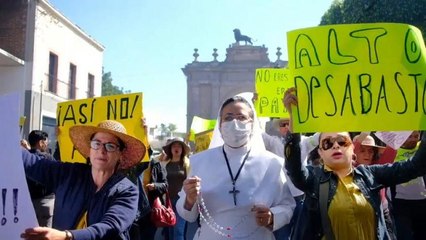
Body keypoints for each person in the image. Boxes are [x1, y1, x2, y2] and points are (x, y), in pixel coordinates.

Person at [283, 87, 426, 240]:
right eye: (327, 143)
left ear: (352, 149)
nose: (335, 146)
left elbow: (415, 167)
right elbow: (294, 169)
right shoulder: (313, 180)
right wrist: (294, 118)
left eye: (341, 141)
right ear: (320, 153)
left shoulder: (371, 175)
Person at [177, 95, 295, 240]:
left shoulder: (273, 163)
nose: (234, 122)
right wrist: (189, 199)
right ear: (220, 125)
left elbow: (287, 205)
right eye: (228, 117)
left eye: (241, 117)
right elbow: (187, 215)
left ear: (252, 124)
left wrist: (272, 217)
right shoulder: (199, 161)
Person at [20, 120, 146, 240]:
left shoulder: (128, 191)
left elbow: (110, 227)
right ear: (90, 149)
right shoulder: (69, 174)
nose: (101, 150)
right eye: (96, 144)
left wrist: (66, 237)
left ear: (120, 154)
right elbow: (32, 163)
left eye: (110, 146)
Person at [388, 131, 426, 240]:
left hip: (422, 201)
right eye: (409, 136)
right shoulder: (393, 150)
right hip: (400, 204)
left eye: (416, 136)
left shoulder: (421, 148)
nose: (413, 139)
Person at [161, 137, 191, 240]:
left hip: (182, 201)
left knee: (178, 231)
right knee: (169, 230)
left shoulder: (187, 163)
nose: (176, 148)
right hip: (167, 201)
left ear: (182, 149)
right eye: (174, 146)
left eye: (179, 146)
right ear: (170, 149)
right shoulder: (164, 163)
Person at [26, 130, 57, 227]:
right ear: (40, 142)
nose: (47, 144)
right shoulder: (47, 159)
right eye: (46, 141)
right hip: (46, 203)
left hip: (29, 203)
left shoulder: (25, 158)